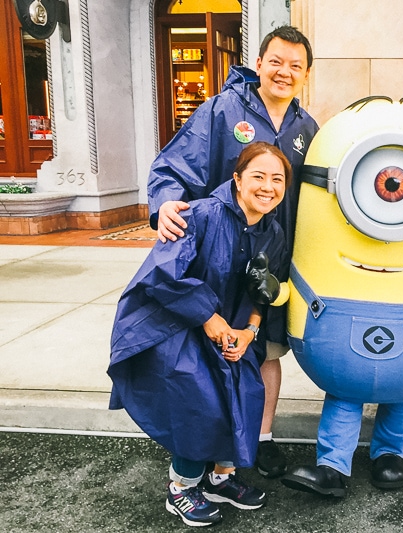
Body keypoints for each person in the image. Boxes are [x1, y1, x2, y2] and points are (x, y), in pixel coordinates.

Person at [147, 25, 319, 479]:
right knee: (214, 353)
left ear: (306, 75)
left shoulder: (307, 127)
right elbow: (173, 165)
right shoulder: (222, 111)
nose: (284, 72)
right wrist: (164, 202)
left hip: (273, 261)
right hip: (221, 259)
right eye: (276, 62)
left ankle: (259, 440)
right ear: (258, 63)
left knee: (267, 352)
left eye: (295, 66)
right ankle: (202, 449)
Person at [108, 142, 292, 527]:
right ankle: (181, 489)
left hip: (234, 332)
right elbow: (164, 275)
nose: (268, 186)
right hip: (176, 327)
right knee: (200, 402)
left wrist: (250, 331)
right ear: (237, 179)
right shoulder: (201, 215)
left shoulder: (272, 232)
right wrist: (210, 320)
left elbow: (264, 290)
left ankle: (219, 480)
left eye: (277, 179)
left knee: (245, 396)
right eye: (258, 176)